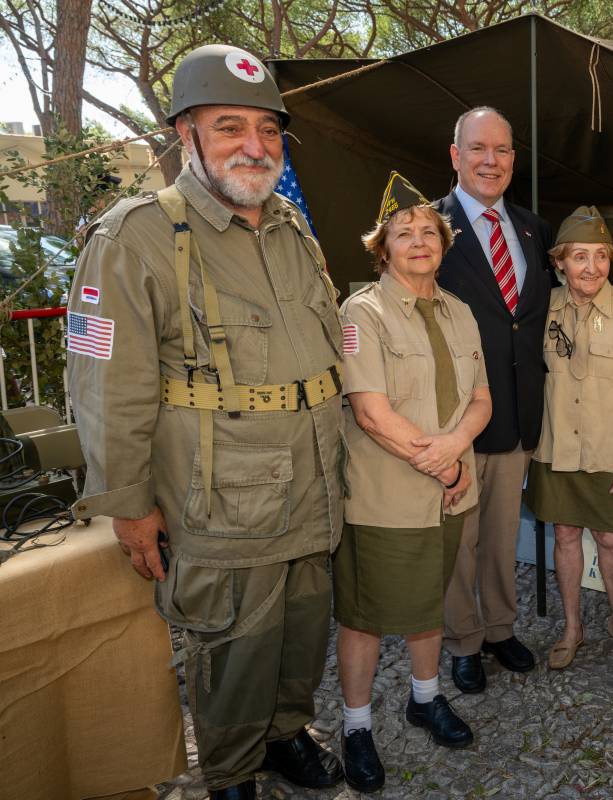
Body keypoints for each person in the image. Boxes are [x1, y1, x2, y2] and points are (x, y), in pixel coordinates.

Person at [67, 45, 345, 800]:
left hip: (314, 485)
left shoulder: (292, 227)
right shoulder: (134, 237)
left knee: (301, 633)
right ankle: (230, 772)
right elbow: (103, 388)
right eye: (230, 127)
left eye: (267, 129)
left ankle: (287, 735)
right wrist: (128, 504)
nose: (254, 146)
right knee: (235, 647)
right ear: (185, 134)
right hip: (223, 499)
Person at [334, 173, 492, 791]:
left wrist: (456, 453)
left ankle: (425, 698)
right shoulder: (361, 312)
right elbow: (372, 414)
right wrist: (445, 461)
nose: (419, 241)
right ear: (383, 248)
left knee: (430, 601)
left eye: (429, 231)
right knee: (364, 615)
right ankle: (355, 726)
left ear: (444, 244)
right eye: (404, 233)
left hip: (452, 488)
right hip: (387, 494)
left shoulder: (460, 311)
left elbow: (482, 400)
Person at [434, 106, 554, 694]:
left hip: (518, 411)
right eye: (478, 148)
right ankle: (462, 639)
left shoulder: (533, 227)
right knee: (460, 540)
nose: (491, 160)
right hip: (456, 416)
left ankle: (500, 628)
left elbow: (527, 320)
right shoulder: (428, 225)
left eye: (502, 150)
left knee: (504, 534)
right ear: (455, 155)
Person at [525, 206, 613, 668]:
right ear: (559, 261)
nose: (591, 267)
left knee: (608, 537)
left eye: (601, 256)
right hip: (557, 445)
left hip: (608, 449)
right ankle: (572, 626)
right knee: (564, 534)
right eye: (579, 257)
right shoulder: (542, 308)